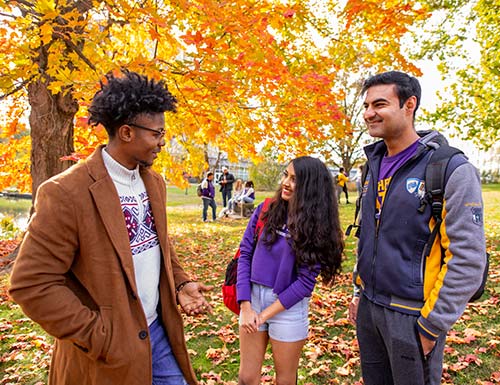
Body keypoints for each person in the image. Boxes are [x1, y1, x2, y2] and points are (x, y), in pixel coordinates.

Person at [9, 70, 213, 385]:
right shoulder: (65, 192)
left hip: (158, 331)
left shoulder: (153, 181)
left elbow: (158, 242)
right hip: (107, 349)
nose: (162, 142)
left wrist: (180, 284)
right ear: (127, 132)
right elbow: (31, 284)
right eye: (157, 133)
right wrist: (101, 336)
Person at [348, 71, 486, 385]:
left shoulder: (450, 169)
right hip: (370, 309)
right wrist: (359, 292)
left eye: (379, 104)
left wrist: (431, 325)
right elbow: (368, 234)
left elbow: (468, 259)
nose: (369, 112)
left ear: (409, 105)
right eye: (366, 105)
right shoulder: (370, 167)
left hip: (412, 316)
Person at [236, 156, 344, 385]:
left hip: (287, 307)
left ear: (310, 187)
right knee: (246, 378)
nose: (286, 182)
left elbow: (305, 283)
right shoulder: (265, 210)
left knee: (284, 380)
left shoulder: (317, 226)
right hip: (253, 299)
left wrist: (265, 315)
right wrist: (245, 306)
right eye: (286, 175)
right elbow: (244, 255)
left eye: (295, 179)